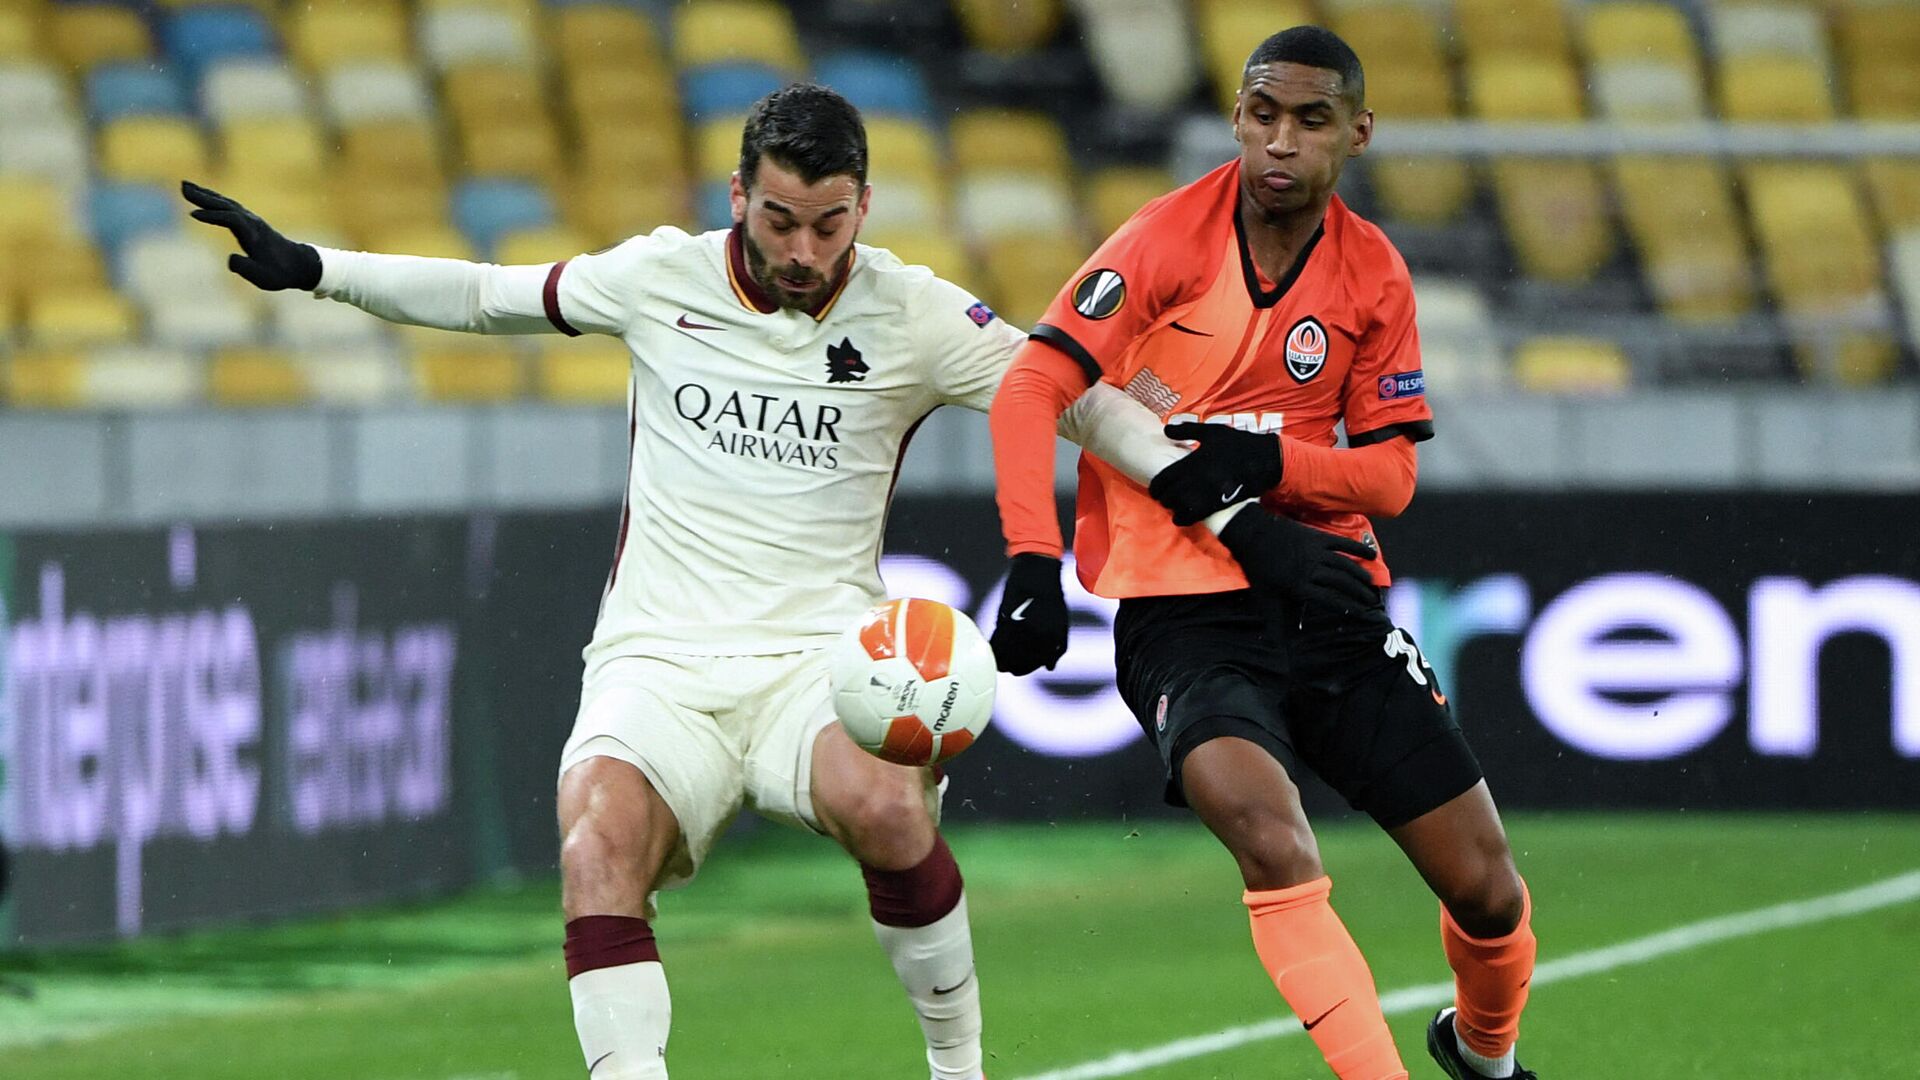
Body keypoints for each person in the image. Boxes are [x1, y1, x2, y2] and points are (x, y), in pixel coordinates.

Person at [182, 84, 1183, 1080]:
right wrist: (316, 269)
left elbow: (1073, 399)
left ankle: (958, 1067)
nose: (803, 251)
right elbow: (490, 296)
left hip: (822, 663)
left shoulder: (915, 313)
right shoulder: (661, 277)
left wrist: (1210, 491)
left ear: (864, 208)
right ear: (738, 195)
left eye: (829, 225)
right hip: (658, 658)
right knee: (595, 846)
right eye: (780, 220)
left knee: (884, 808)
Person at [986, 27, 1540, 1080]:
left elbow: (1389, 480)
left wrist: (1261, 460)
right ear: (1238, 120)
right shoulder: (1165, 241)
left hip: (1324, 591)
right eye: (1263, 116)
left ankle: (1483, 1056)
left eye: (1312, 120)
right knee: (1274, 841)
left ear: (1357, 134)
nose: (1281, 142)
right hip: (1181, 614)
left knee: (1489, 890)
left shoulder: (1372, 272)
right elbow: (1033, 384)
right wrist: (1031, 559)